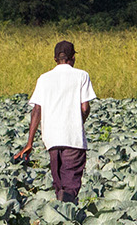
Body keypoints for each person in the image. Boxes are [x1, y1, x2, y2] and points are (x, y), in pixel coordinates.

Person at [15, 40, 97, 202]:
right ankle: (66, 209)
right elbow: (85, 108)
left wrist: (29, 143)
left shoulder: (44, 79)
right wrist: (77, 123)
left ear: (55, 59)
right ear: (73, 58)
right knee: (70, 184)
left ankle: (60, 210)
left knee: (59, 183)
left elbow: (36, 110)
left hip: (51, 139)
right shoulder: (82, 75)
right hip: (73, 139)